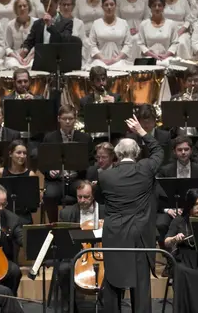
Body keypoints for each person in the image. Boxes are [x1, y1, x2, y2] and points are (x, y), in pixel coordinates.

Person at [97, 114, 163, 313]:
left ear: (116, 154)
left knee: (113, 279)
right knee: (141, 283)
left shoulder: (106, 175)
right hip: (139, 233)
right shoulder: (145, 168)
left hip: (114, 231)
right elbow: (158, 151)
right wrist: (142, 131)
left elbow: (100, 199)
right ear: (136, 153)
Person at [56, 181, 106, 311]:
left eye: (86, 197)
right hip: (75, 254)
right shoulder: (66, 213)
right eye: (80, 197)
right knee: (63, 269)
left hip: (101, 254)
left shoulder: (105, 211)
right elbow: (62, 240)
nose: (82, 200)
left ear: (93, 196)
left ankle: (108, 306)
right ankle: (70, 307)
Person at [41, 104, 94, 222]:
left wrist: (81, 166)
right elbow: (43, 162)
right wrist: (49, 171)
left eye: (71, 118)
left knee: (86, 191)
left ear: (75, 119)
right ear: (59, 119)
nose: (68, 121)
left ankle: (82, 222)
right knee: (49, 195)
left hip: (76, 178)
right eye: (65, 118)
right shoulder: (49, 138)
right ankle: (54, 225)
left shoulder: (85, 138)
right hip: (56, 180)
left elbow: (91, 161)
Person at [137, 0, 179, 64]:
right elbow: (141, 44)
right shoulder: (144, 24)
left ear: (163, 7)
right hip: (149, 59)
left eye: (159, 5)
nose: (157, 8)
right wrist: (153, 55)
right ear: (150, 7)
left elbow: (175, 43)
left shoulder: (171, 24)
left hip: (167, 59)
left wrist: (166, 55)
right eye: (154, 5)